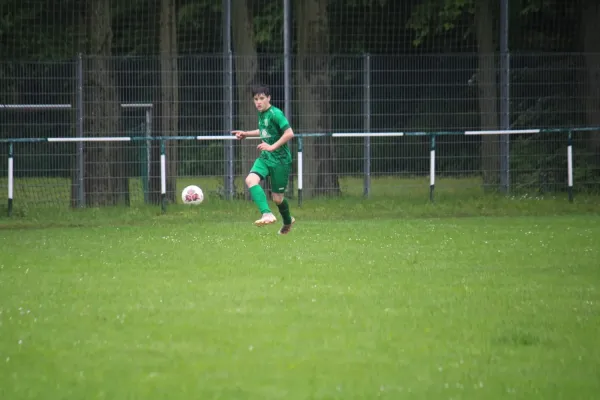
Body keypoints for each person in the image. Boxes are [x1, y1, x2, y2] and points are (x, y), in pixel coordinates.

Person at [232, 84, 296, 234]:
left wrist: (272, 146)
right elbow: (263, 131)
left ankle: (287, 220)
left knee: (278, 199)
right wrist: (246, 133)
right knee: (250, 180)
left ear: (269, 98)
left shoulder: (276, 113)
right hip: (266, 158)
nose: (258, 102)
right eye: (255, 99)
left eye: (261, 98)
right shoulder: (262, 114)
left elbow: (289, 133)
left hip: (280, 160)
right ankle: (266, 213)